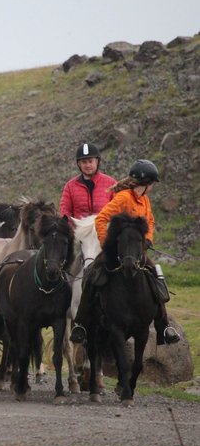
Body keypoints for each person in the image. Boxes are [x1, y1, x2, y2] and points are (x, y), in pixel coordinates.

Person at [70, 159, 180, 345]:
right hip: (117, 250)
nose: (152, 188)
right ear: (145, 184)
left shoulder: (145, 200)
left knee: (156, 275)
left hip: (136, 251)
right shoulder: (122, 198)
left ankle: (164, 327)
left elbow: (150, 222)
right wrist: (108, 244)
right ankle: (80, 324)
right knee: (92, 275)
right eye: (152, 184)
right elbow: (102, 219)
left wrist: (148, 239)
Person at [59, 142, 116, 219]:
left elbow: (118, 208)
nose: (88, 165)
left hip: (104, 228)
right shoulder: (70, 186)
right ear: (79, 164)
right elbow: (65, 211)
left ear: (97, 161)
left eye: (90, 161)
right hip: (78, 230)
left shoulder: (111, 183)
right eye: (84, 162)